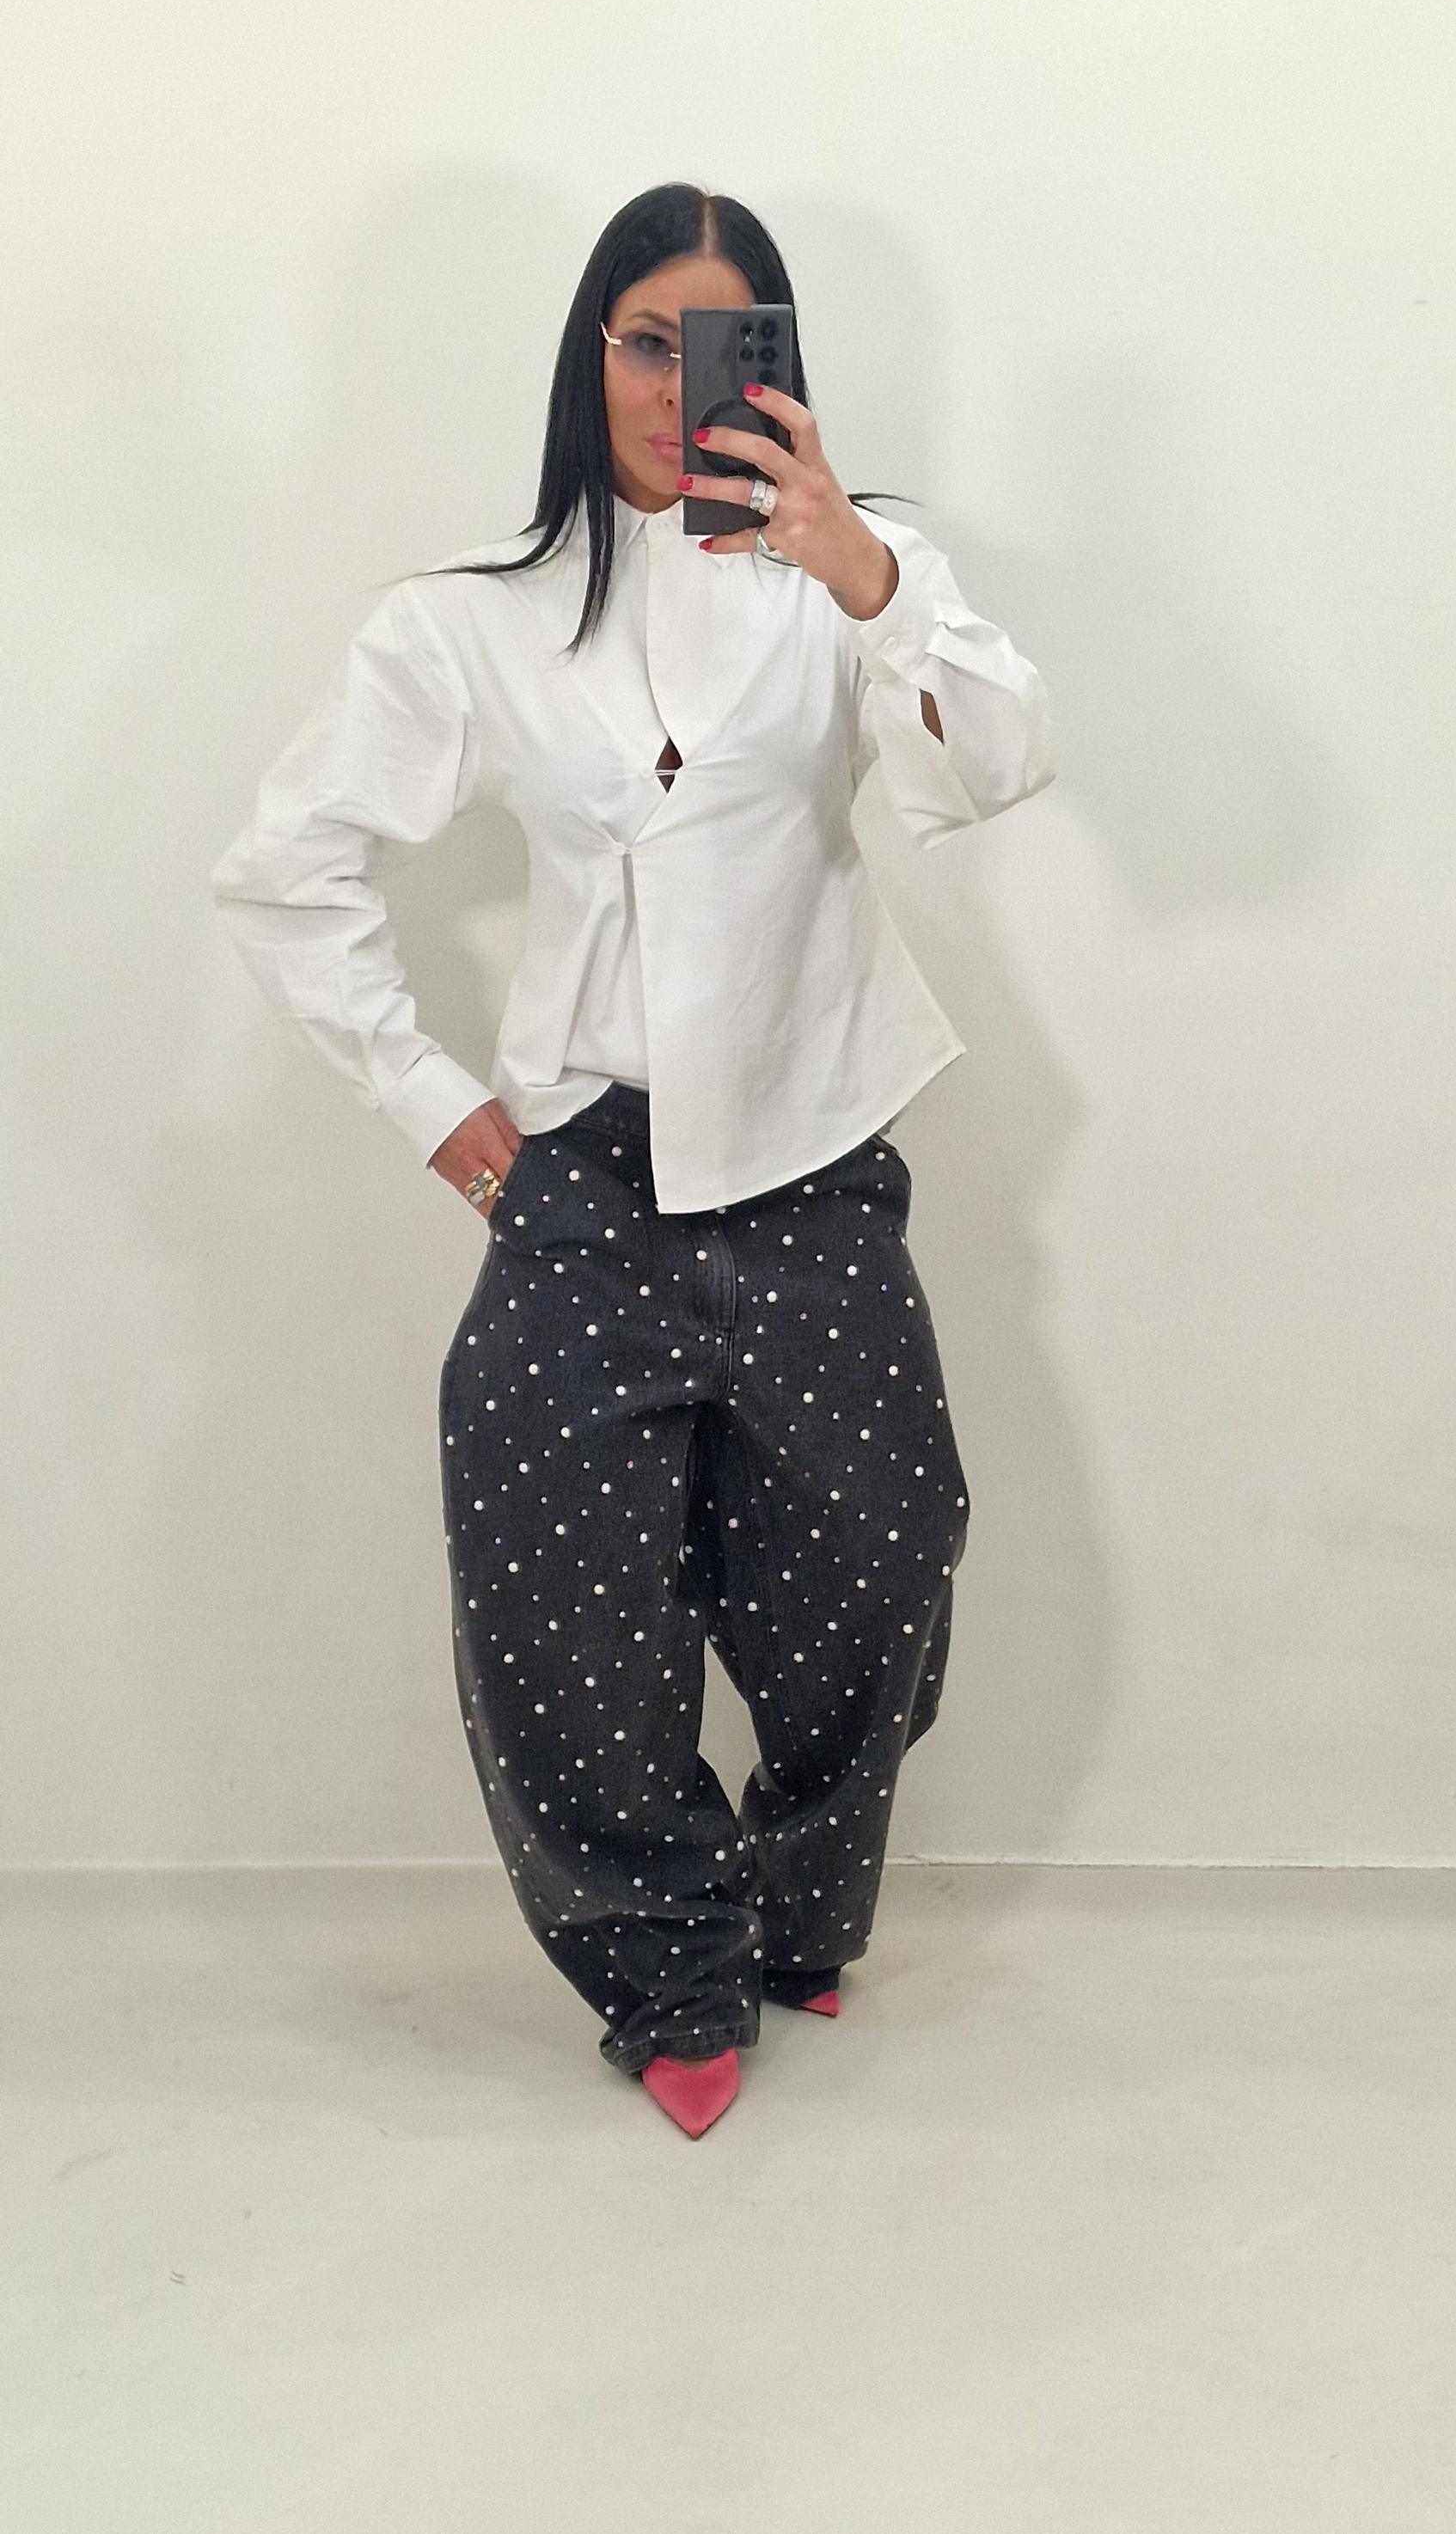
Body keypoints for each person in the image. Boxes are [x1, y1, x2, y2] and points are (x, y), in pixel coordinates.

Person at [211, 181, 1054, 2139]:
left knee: (879, 1573)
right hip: (582, 1188)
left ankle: (797, 1911)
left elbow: (997, 766)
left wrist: (862, 572)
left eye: (722, 345)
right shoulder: (468, 622)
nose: (682, 387)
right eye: (647, 343)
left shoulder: (851, 578)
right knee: (562, 1620)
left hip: (814, 1169)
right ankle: (666, 1969)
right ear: (590, 357)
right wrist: (450, 1121)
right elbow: (285, 876)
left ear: (783, 365)